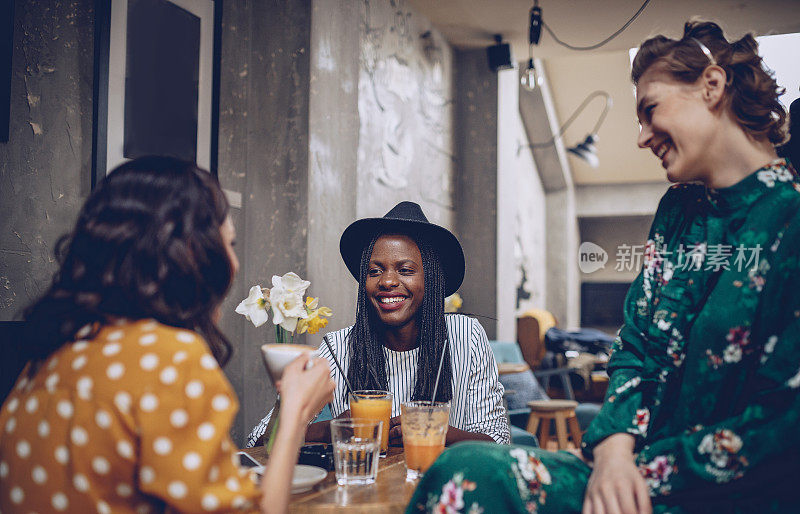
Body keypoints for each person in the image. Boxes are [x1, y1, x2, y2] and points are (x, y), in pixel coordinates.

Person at [406, 20, 800, 514]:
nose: (640, 137)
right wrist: (614, 451)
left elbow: (785, 422)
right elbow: (637, 344)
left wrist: (644, 471)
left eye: (650, 110)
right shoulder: (679, 212)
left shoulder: (790, 220)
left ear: (712, 86)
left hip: (727, 491)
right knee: (466, 471)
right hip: (621, 465)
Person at [0, 157, 335, 513]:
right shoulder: (170, 359)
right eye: (229, 246)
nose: (234, 265)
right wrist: (295, 414)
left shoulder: (48, 357)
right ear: (194, 254)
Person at [247, 201, 510, 447]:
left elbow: (499, 441)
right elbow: (258, 441)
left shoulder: (465, 336)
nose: (387, 281)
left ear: (430, 280)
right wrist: (328, 429)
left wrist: (437, 431)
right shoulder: (339, 349)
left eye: (405, 270)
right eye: (374, 271)